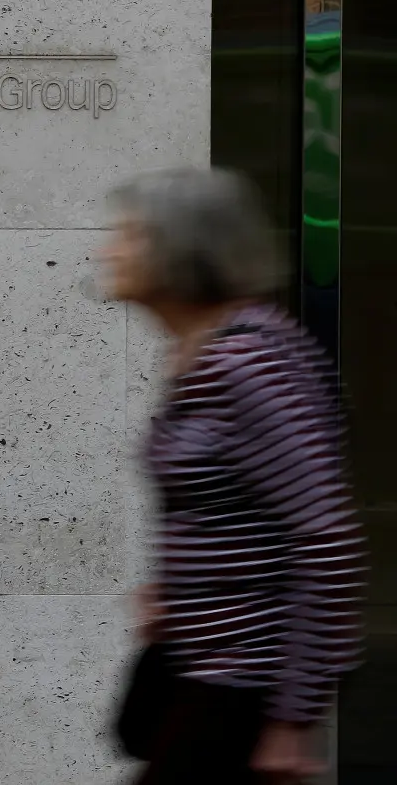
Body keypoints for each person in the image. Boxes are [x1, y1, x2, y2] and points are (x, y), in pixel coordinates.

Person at [102, 167, 366, 784]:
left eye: (132, 236)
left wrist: (289, 721)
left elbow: (327, 541)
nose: (108, 249)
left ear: (183, 249)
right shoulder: (202, 355)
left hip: (248, 674)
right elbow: (235, 506)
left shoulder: (247, 365)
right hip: (206, 662)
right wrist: (178, 587)